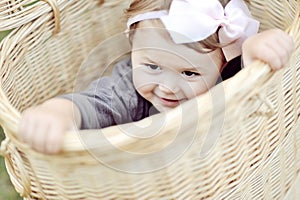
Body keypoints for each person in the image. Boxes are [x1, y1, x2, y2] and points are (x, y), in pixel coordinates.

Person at [18, 0, 294, 154]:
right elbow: (96, 104)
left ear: (223, 61)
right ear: (132, 43)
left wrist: (254, 48)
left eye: (188, 72)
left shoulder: (226, 74)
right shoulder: (127, 88)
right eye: (151, 66)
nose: (167, 87)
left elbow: (248, 77)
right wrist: (58, 112)